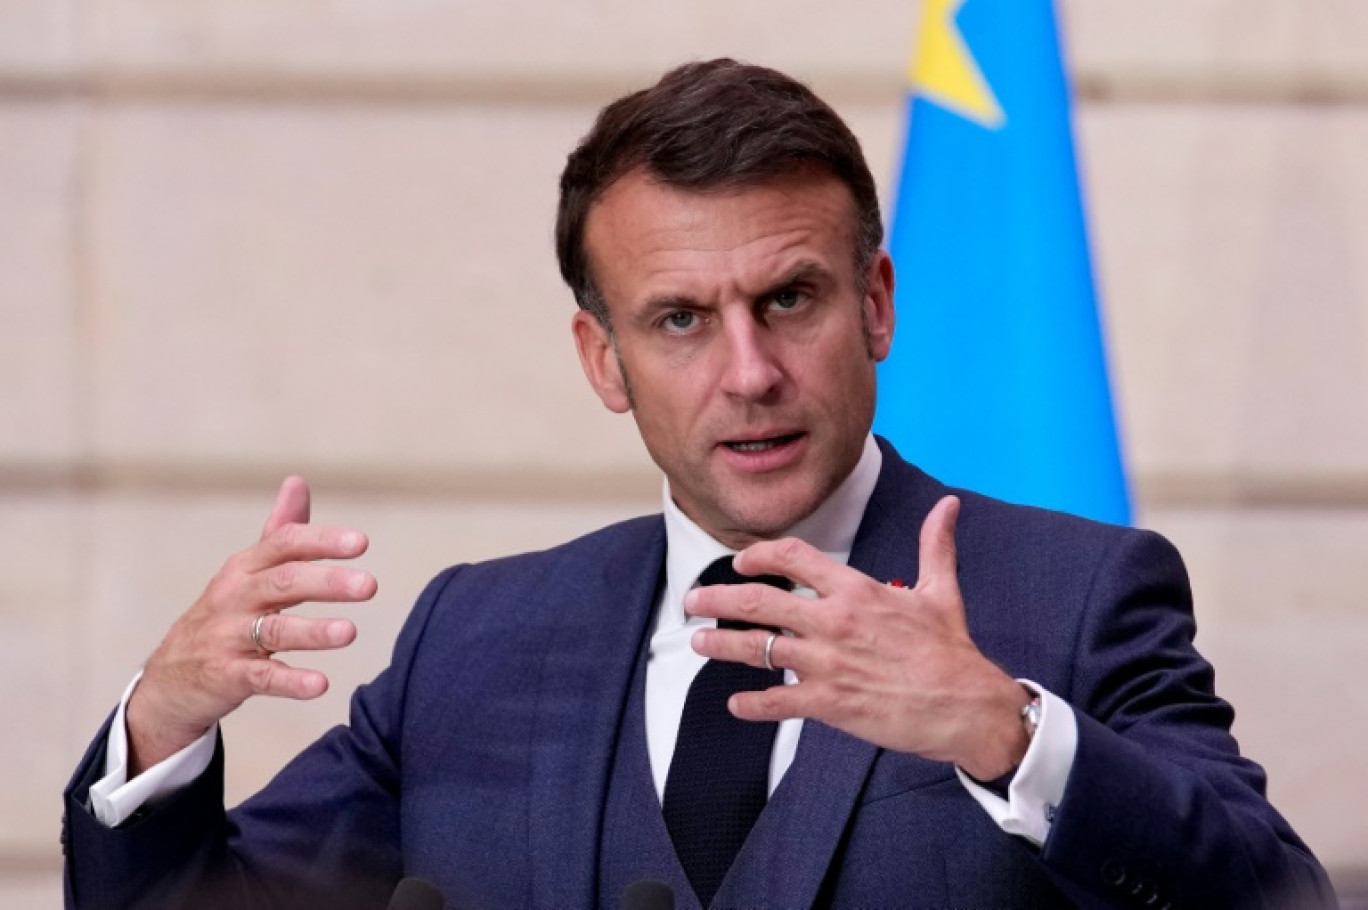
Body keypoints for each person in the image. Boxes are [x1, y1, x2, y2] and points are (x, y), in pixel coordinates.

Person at [63, 59, 1336, 909]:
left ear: (878, 303)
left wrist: (1007, 732)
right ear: (602, 359)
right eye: (679, 319)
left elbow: (1274, 895)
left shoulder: (1073, 593)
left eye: (791, 299)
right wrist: (163, 730)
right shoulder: (477, 636)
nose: (749, 372)